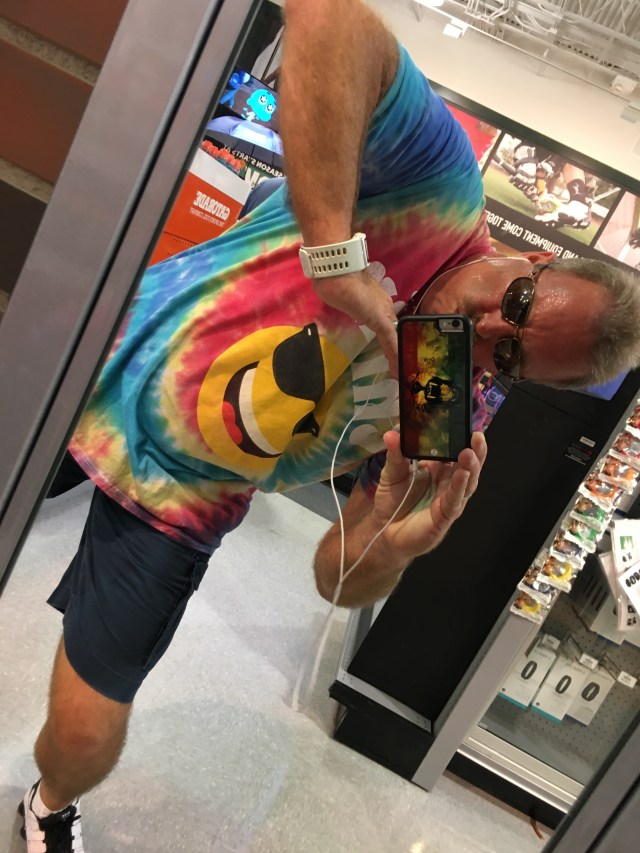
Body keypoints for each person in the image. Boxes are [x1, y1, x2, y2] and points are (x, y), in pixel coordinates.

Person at [17, 1, 640, 850]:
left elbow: (333, 579)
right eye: (521, 301)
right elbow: (326, 17)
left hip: (184, 501)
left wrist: (394, 539)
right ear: (531, 259)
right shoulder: (439, 190)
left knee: (88, 735)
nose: (491, 327)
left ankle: (47, 802)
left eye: (512, 356)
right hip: (98, 356)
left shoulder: (442, 398)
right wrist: (337, 260)